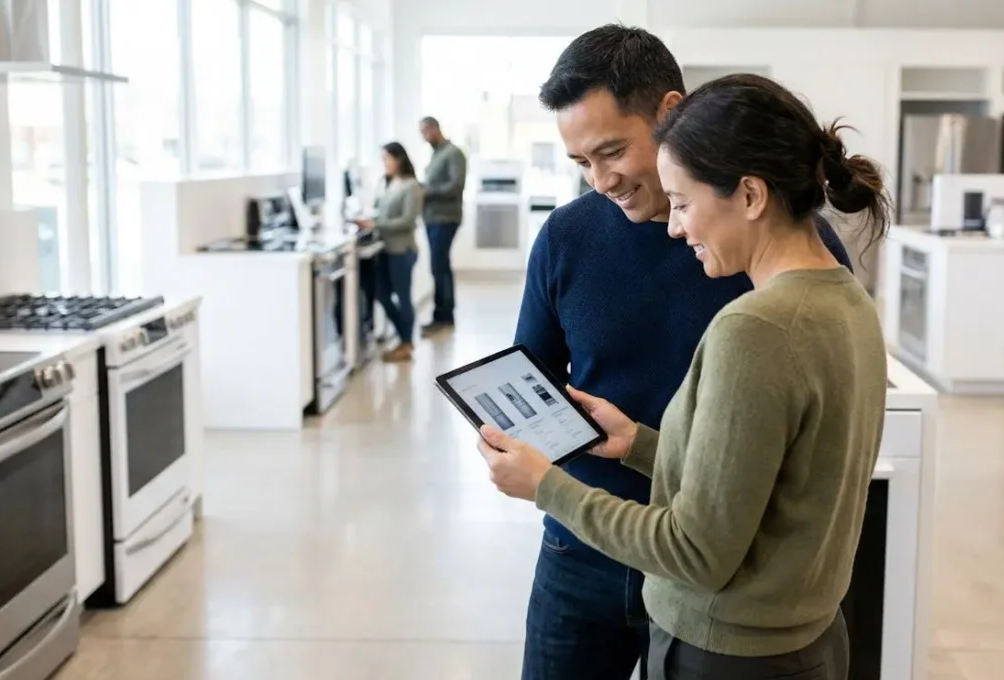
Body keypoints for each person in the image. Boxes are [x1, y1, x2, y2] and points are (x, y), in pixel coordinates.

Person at [479, 72, 889, 679]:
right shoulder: (847, 300)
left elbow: (696, 551)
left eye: (684, 203)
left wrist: (546, 486)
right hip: (800, 635)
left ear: (750, 196)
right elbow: (774, 471)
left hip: (724, 641)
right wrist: (643, 445)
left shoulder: (754, 326)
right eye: (581, 161)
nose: (674, 227)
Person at [357, 142, 422, 363]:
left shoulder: (411, 185)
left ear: (399, 159)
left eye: (388, 159)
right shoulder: (387, 182)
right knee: (381, 294)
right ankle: (404, 335)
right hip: (385, 249)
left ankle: (406, 342)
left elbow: (407, 221)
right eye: (383, 160)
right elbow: (379, 210)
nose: (385, 164)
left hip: (402, 250)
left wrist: (376, 225)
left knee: (403, 297)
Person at [418, 116, 467, 338]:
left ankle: (444, 316)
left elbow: (456, 186)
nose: (425, 136)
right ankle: (443, 314)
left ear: (437, 128)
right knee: (439, 266)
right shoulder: (436, 154)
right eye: (422, 132)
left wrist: (428, 192)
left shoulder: (453, 153)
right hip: (432, 218)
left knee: (439, 267)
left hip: (445, 219)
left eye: (427, 130)